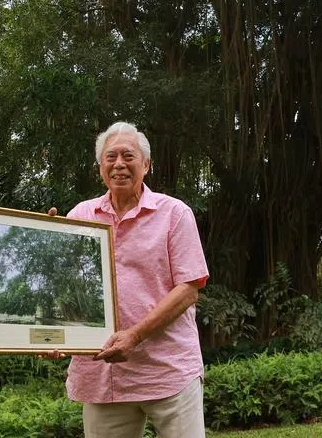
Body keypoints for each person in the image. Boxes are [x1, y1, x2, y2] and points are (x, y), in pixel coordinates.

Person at [65, 121, 210, 438]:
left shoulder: (174, 213)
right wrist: (55, 334)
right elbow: (65, 288)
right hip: (103, 376)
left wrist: (135, 335)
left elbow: (188, 290)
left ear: (146, 164)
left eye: (128, 156)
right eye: (110, 157)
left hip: (167, 368)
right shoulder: (79, 216)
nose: (118, 164)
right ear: (100, 166)